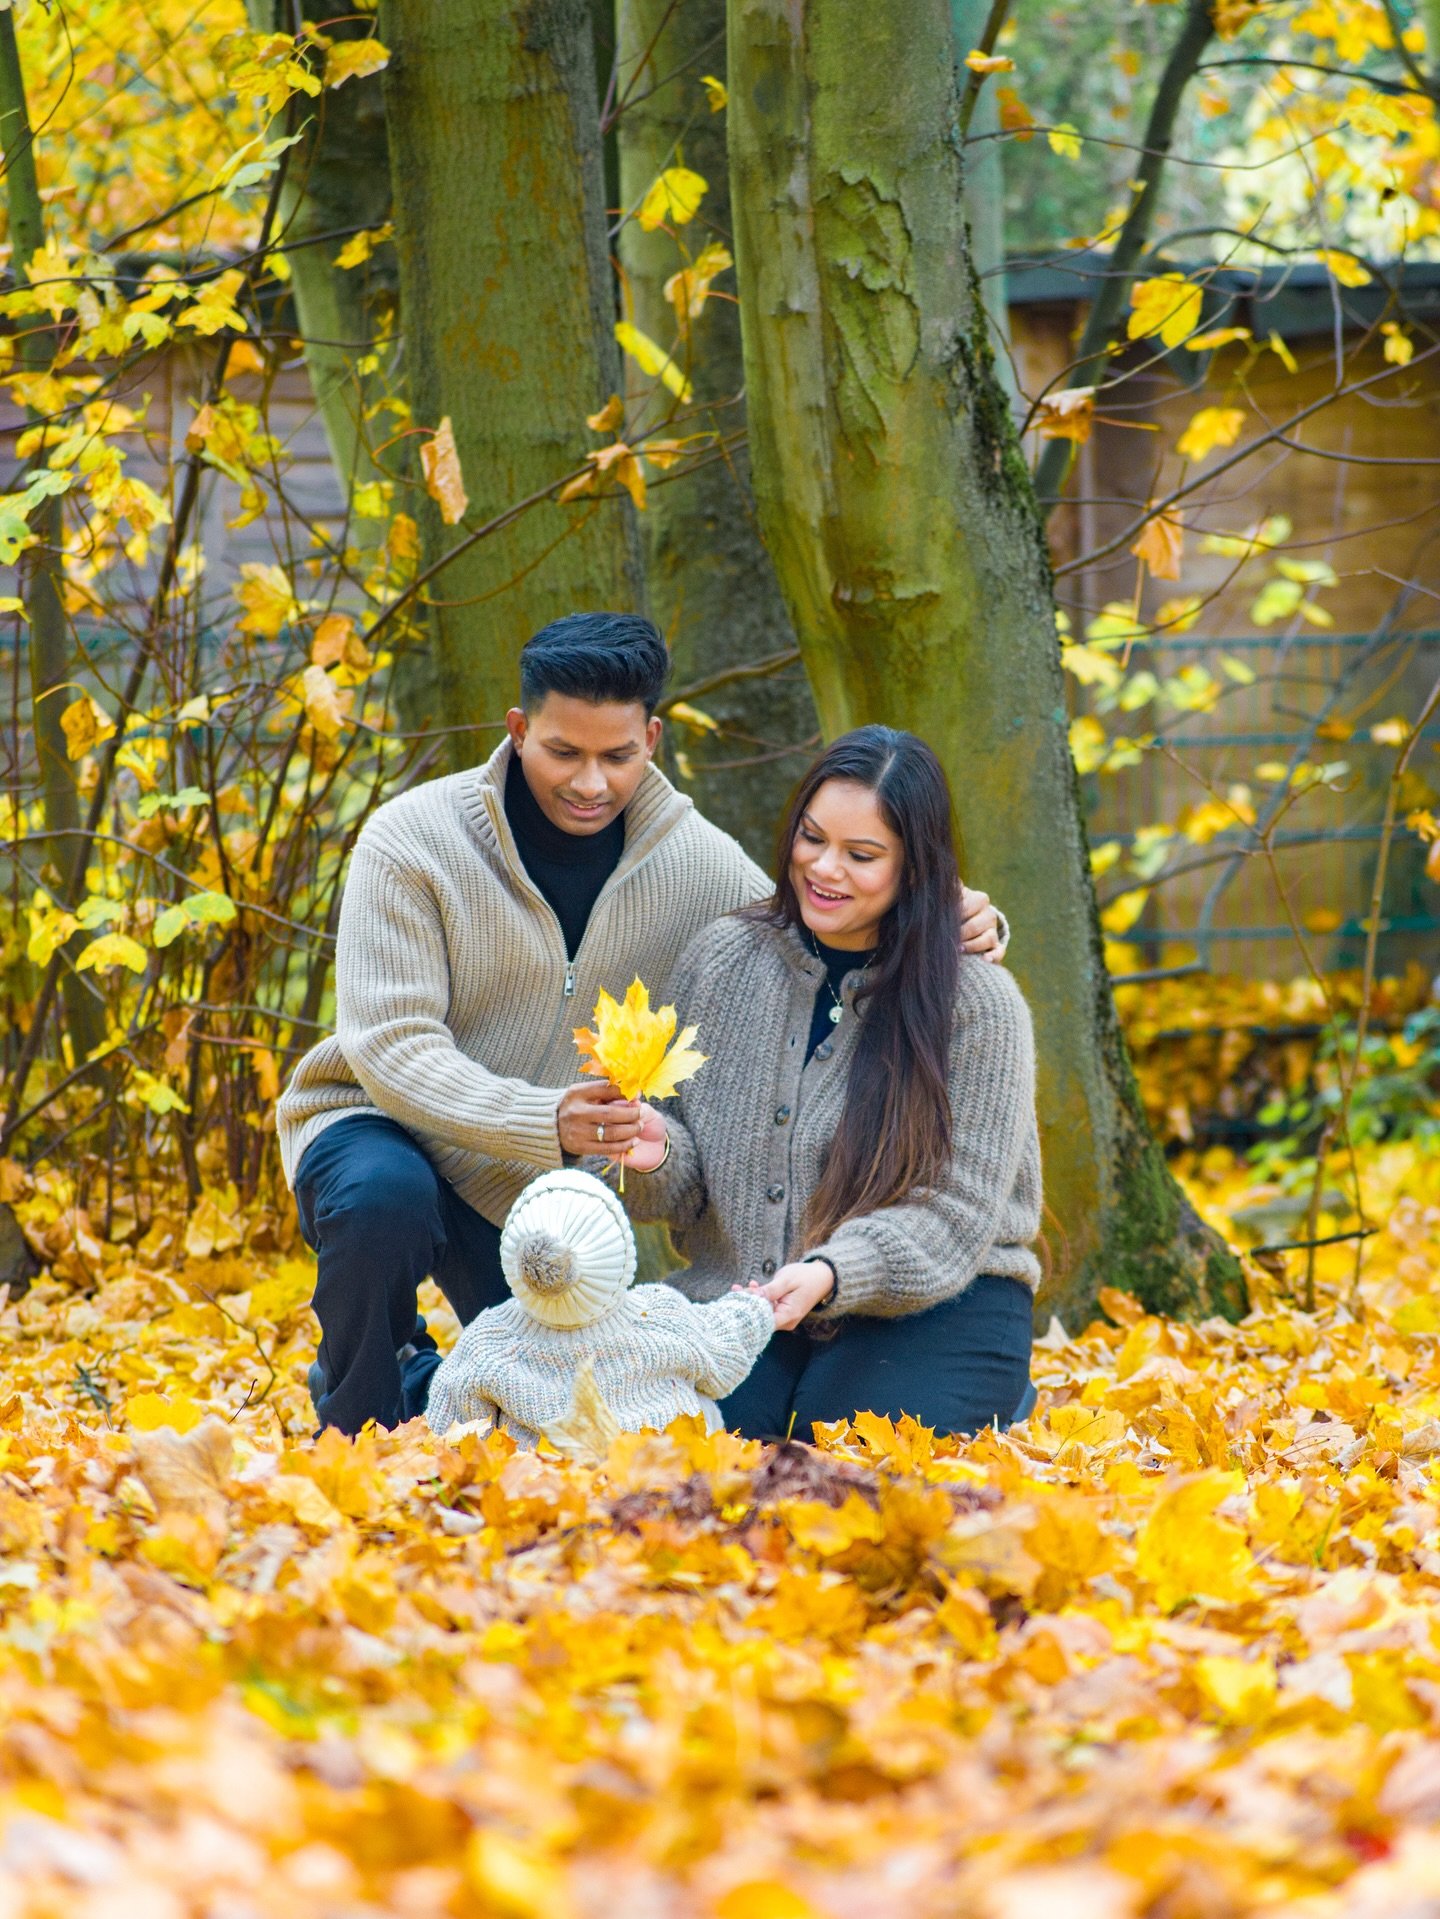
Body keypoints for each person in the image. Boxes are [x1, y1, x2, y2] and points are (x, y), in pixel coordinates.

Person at [276, 614, 1008, 1434]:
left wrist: (958, 914)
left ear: (652, 739)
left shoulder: (696, 863)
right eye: (564, 751)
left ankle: (425, 1388)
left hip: (536, 1180)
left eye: (617, 756)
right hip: (385, 1126)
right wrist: (543, 1117)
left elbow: (803, 922)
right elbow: (390, 1045)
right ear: (519, 730)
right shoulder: (415, 840)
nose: (591, 781)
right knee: (385, 1199)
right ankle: (354, 1423)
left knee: (562, 1408)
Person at [612, 725, 1040, 1439]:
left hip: (943, 1296)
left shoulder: (977, 1003)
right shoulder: (721, 960)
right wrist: (656, 1153)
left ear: (916, 866)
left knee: (837, 1448)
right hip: (750, 1302)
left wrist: (833, 1273)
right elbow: (684, 1197)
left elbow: (958, 1210)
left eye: (862, 855)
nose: (825, 869)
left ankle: (985, 1390)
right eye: (812, 838)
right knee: (706, 1444)